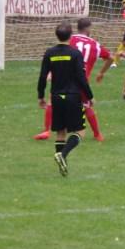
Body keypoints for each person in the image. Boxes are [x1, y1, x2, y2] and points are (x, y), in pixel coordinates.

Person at [34, 17, 112, 141]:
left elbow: (61, 55)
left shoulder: (70, 39)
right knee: (86, 106)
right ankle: (98, 134)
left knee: (52, 101)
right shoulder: (95, 45)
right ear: (88, 28)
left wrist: (51, 73)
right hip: (82, 80)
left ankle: (46, 131)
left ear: (78, 28)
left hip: (65, 77)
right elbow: (110, 58)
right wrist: (101, 72)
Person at [37, 21, 94, 177]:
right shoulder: (75, 54)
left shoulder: (49, 53)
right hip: (72, 97)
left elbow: (43, 77)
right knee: (80, 132)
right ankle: (63, 155)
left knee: (60, 132)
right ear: (70, 36)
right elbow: (81, 78)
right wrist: (90, 96)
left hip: (56, 97)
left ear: (57, 35)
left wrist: (41, 96)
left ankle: (62, 166)